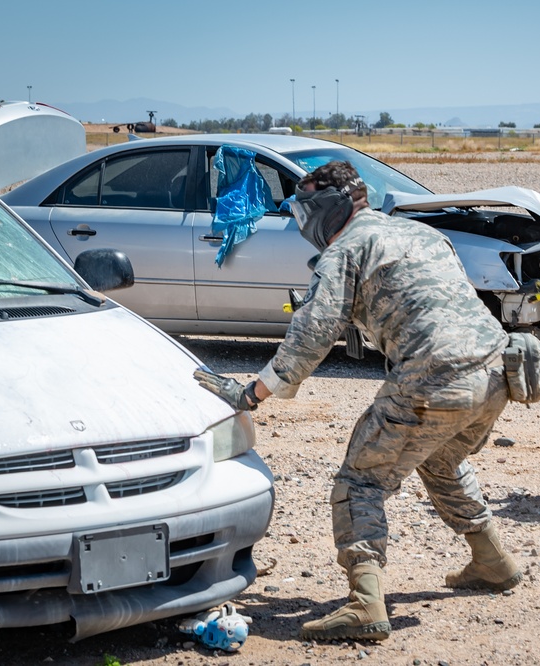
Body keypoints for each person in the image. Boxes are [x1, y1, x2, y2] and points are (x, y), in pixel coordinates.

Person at [193, 161, 522, 642]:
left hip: (435, 377)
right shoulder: (420, 234)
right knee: (441, 459)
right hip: (497, 369)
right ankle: (493, 561)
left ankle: (366, 605)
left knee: (360, 480)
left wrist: (251, 393)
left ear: (326, 208)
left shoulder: (345, 250)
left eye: (305, 210)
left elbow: (312, 333)